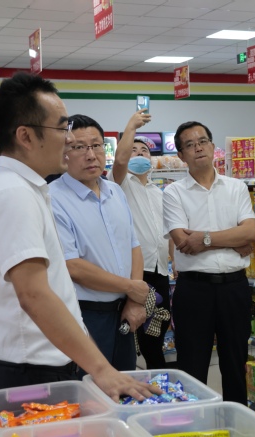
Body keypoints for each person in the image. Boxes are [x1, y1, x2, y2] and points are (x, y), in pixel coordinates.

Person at [0, 71, 160, 401]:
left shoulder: (25, 189)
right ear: (26, 136)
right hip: (29, 371)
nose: (68, 141)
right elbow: (34, 294)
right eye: (61, 129)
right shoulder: (12, 194)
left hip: (41, 363)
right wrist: (102, 370)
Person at [163, 121, 255, 404]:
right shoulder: (173, 193)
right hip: (194, 290)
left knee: (236, 365)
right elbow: (182, 241)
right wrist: (231, 239)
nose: (198, 148)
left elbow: (249, 233)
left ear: (213, 146)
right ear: (181, 155)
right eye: (190, 145)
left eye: (203, 141)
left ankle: (237, 424)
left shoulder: (236, 187)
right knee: (192, 367)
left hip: (235, 288)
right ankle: (194, 426)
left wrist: (203, 238)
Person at [49, 113, 149, 377]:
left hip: (124, 312)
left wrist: (134, 300)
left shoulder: (115, 191)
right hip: (84, 316)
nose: (91, 155)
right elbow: (72, 266)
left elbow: (133, 246)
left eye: (96, 145)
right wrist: (131, 287)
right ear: (63, 152)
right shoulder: (53, 198)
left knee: (125, 384)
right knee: (88, 390)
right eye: (79, 147)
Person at [108, 110, 174, 369]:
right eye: (133, 150)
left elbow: (166, 231)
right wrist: (132, 127)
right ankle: (138, 379)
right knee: (134, 333)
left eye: (144, 151)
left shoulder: (159, 192)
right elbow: (120, 160)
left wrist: (174, 259)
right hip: (136, 272)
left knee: (156, 332)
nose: (138, 154)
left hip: (160, 271)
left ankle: (156, 380)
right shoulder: (119, 185)